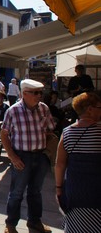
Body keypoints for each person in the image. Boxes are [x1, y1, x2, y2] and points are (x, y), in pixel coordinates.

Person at [0, 79, 56, 233]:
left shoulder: (43, 109)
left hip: (40, 155)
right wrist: (12, 156)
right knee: (17, 192)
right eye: (35, 93)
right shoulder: (13, 111)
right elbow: (4, 134)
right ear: (24, 94)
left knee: (35, 192)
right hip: (22, 156)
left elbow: (50, 131)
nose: (39, 95)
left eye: (40, 92)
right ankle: (10, 225)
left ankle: (34, 222)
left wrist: (49, 153)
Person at [55, 92, 101, 233]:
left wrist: (58, 189)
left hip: (74, 191)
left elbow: (60, 164)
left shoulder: (67, 132)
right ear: (90, 109)